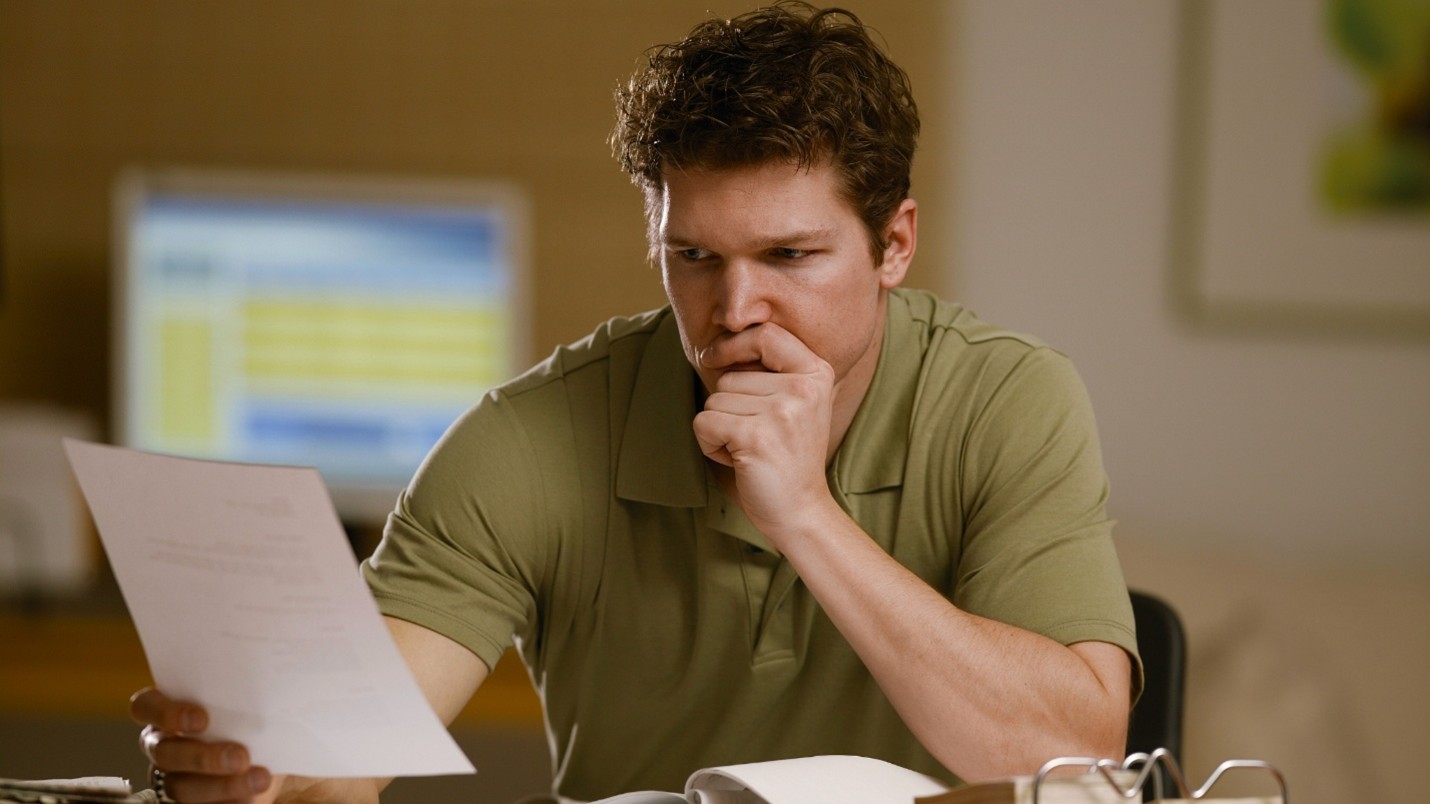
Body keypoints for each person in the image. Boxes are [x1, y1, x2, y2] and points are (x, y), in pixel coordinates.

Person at [130, 3, 1142, 802]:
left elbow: (1074, 754)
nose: (735, 307)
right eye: (693, 256)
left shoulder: (1008, 399)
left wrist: (803, 517)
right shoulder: (525, 438)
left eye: (789, 255)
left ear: (894, 244)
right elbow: (340, 757)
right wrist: (261, 776)